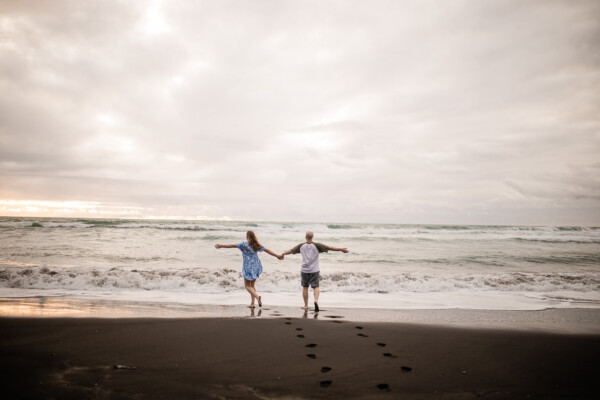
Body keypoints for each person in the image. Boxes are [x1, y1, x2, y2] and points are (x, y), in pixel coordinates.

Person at [282, 231, 348, 312]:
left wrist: (282, 254)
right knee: (316, 286)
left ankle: (306, 305)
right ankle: (316, 301)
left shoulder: (301, 246)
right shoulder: (317, 245)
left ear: (305, 237)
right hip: (314, 270)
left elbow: (291, 251)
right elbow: (329, 248)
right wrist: (340, 249)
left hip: (304, 270)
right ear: (312, 237)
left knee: (305, 287)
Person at [215, 230, 283, 308]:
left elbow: (232, 245)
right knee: (252, 285)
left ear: (247, 236)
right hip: (256, 266)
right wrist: (277, 255)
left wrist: (221, 246)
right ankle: (252, 303)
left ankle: (257, 297)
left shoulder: (243, 244)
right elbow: (267, 251)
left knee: (247, 286)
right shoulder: (256, 244)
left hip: (248, 266)